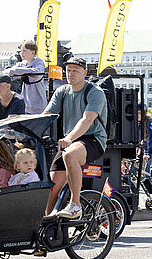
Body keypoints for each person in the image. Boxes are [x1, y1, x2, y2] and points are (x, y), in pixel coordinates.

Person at [42, 56, 108, 220]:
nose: (71, 74)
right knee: (53, 184)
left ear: (85, 73)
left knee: (70, 154)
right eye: (68, 70)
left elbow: (87, 119)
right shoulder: (62, 91)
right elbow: (46, 115)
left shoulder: (95, 92)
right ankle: (47, 222)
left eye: (75, 71)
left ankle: (75, 204)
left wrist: (69, 138)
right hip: (70, 141)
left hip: (93, 139)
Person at [4, 41, 48, 114]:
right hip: (25, 103)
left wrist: (17, 71)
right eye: (20, 51)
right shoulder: (22, 64)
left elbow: (36, 74)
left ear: (33, 52)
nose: (21, 53)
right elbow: (8, 73)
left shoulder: (39, 63)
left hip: (38, 103)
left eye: (24, 51)